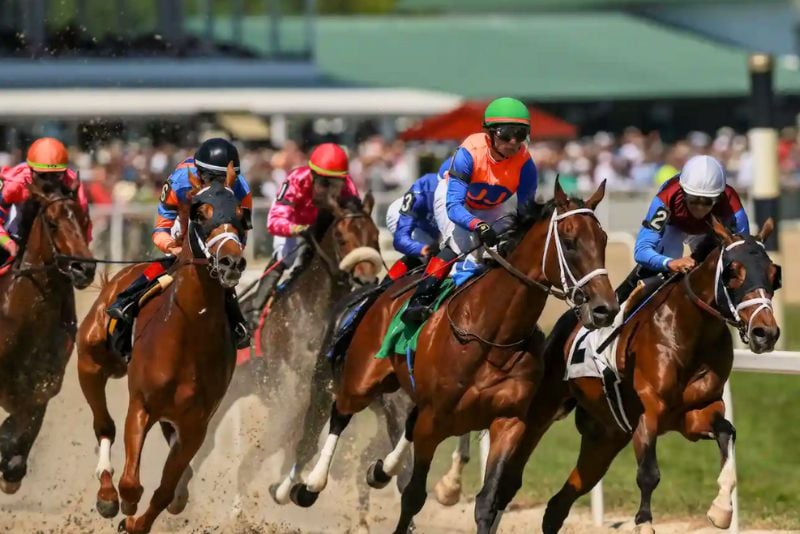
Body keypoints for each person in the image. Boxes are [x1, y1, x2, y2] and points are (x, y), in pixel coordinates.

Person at [106, 138, 253, 356]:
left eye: (224, 180)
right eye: (212, 179)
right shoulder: (181, 180)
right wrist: (173, 248)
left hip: (218, 233)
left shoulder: (241, 189)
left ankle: (237, 322)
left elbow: (241, 233)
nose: (217, 186)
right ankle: (128, 300)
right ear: (199, 173)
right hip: (183, 222)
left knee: (225, 272)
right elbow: (160, 230)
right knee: (173, 261)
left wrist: (226, 253)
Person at [402, 97, 539, 322]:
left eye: (521, 134)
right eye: (506, 134)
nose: (514, 142)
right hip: (455, 200)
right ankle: (420, 300)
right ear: (490, 134)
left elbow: (525, 214)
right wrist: (478, 225)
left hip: (491, 206)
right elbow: (454, 207)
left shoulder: (526, 165)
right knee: (459, 245)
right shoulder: (469, 153)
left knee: (501, 247)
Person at [241, 143, 359, 327]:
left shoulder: (348, 187)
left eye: (337, 183)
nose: (332, 190)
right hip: (296, 225)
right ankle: (257, 307)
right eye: (325, 183)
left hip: (326, 225)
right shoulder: (296, 180)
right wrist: (297, 229)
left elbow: (355, 221)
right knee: (284, 255)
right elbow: (274, 221)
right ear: (312, 175)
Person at [616, 154, 749, 303]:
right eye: (693, 200)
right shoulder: (666, 197)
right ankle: (621, 307)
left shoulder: (733, 205)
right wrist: (669, 263)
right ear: (683, 192)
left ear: (718, 198)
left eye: (707, 201)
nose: (699, 207)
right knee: (658, 272)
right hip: (674, 227)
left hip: (709, 230)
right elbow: (641, 250)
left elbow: (744, 254)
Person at [0, 137, 91, 266]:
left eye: (56, 175)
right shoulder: (16, 183)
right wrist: (7, 243)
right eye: (43, 176)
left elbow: (83, 224)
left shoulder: (72, 183)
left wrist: (81, 253)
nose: (50, 181)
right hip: (18, 217)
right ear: (31, 171)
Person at [382, 159, 451, 281]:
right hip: (402, 219)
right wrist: (422, 249)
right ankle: (382, 289)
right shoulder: (423, 188)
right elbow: (400, 240)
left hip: (430, 227)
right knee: (426, 258)